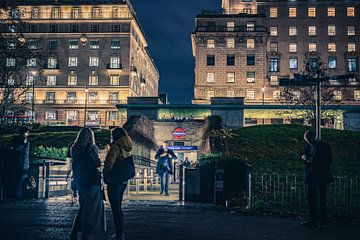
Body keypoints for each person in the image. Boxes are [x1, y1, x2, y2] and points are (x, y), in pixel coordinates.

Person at [69, 128, 105, 240]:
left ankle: (74, 233)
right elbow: (97, 164)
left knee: (83, 206)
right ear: (90, 137)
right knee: (91, 209)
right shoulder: (92, 148)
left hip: (80, 180)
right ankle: (85, 234)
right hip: (92, 180)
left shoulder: (73, 148)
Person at [104, 127, 133, 240]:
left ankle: (119, 234)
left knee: (115, 208)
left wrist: (105, 175)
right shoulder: (127, 147)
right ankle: (120, 233)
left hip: (114, 181)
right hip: (122, 181)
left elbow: (109, 163)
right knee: (118, 207)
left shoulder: (115, 147)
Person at [301, 130, 333, 229]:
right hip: (312, 176)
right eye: (307, 140)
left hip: (320, 176)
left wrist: (309, 160)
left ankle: (322, 221)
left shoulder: (324, 146)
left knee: (321, 199)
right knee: (313, 199)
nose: (308, 142)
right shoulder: (310, 146)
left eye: (308, 140)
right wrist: (306, 159)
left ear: (312, 137)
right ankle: (314, 220)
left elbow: (328, 160)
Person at [12, 126, 30, 200]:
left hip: (25, 163)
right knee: (20, 179)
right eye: (27, 132)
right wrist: (24, 144)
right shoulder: (19, 140)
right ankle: (17, 195)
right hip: (20, 163)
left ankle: (20, 194)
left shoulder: (26, 140)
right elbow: (16, 149)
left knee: (23, 180)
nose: (28, 134)